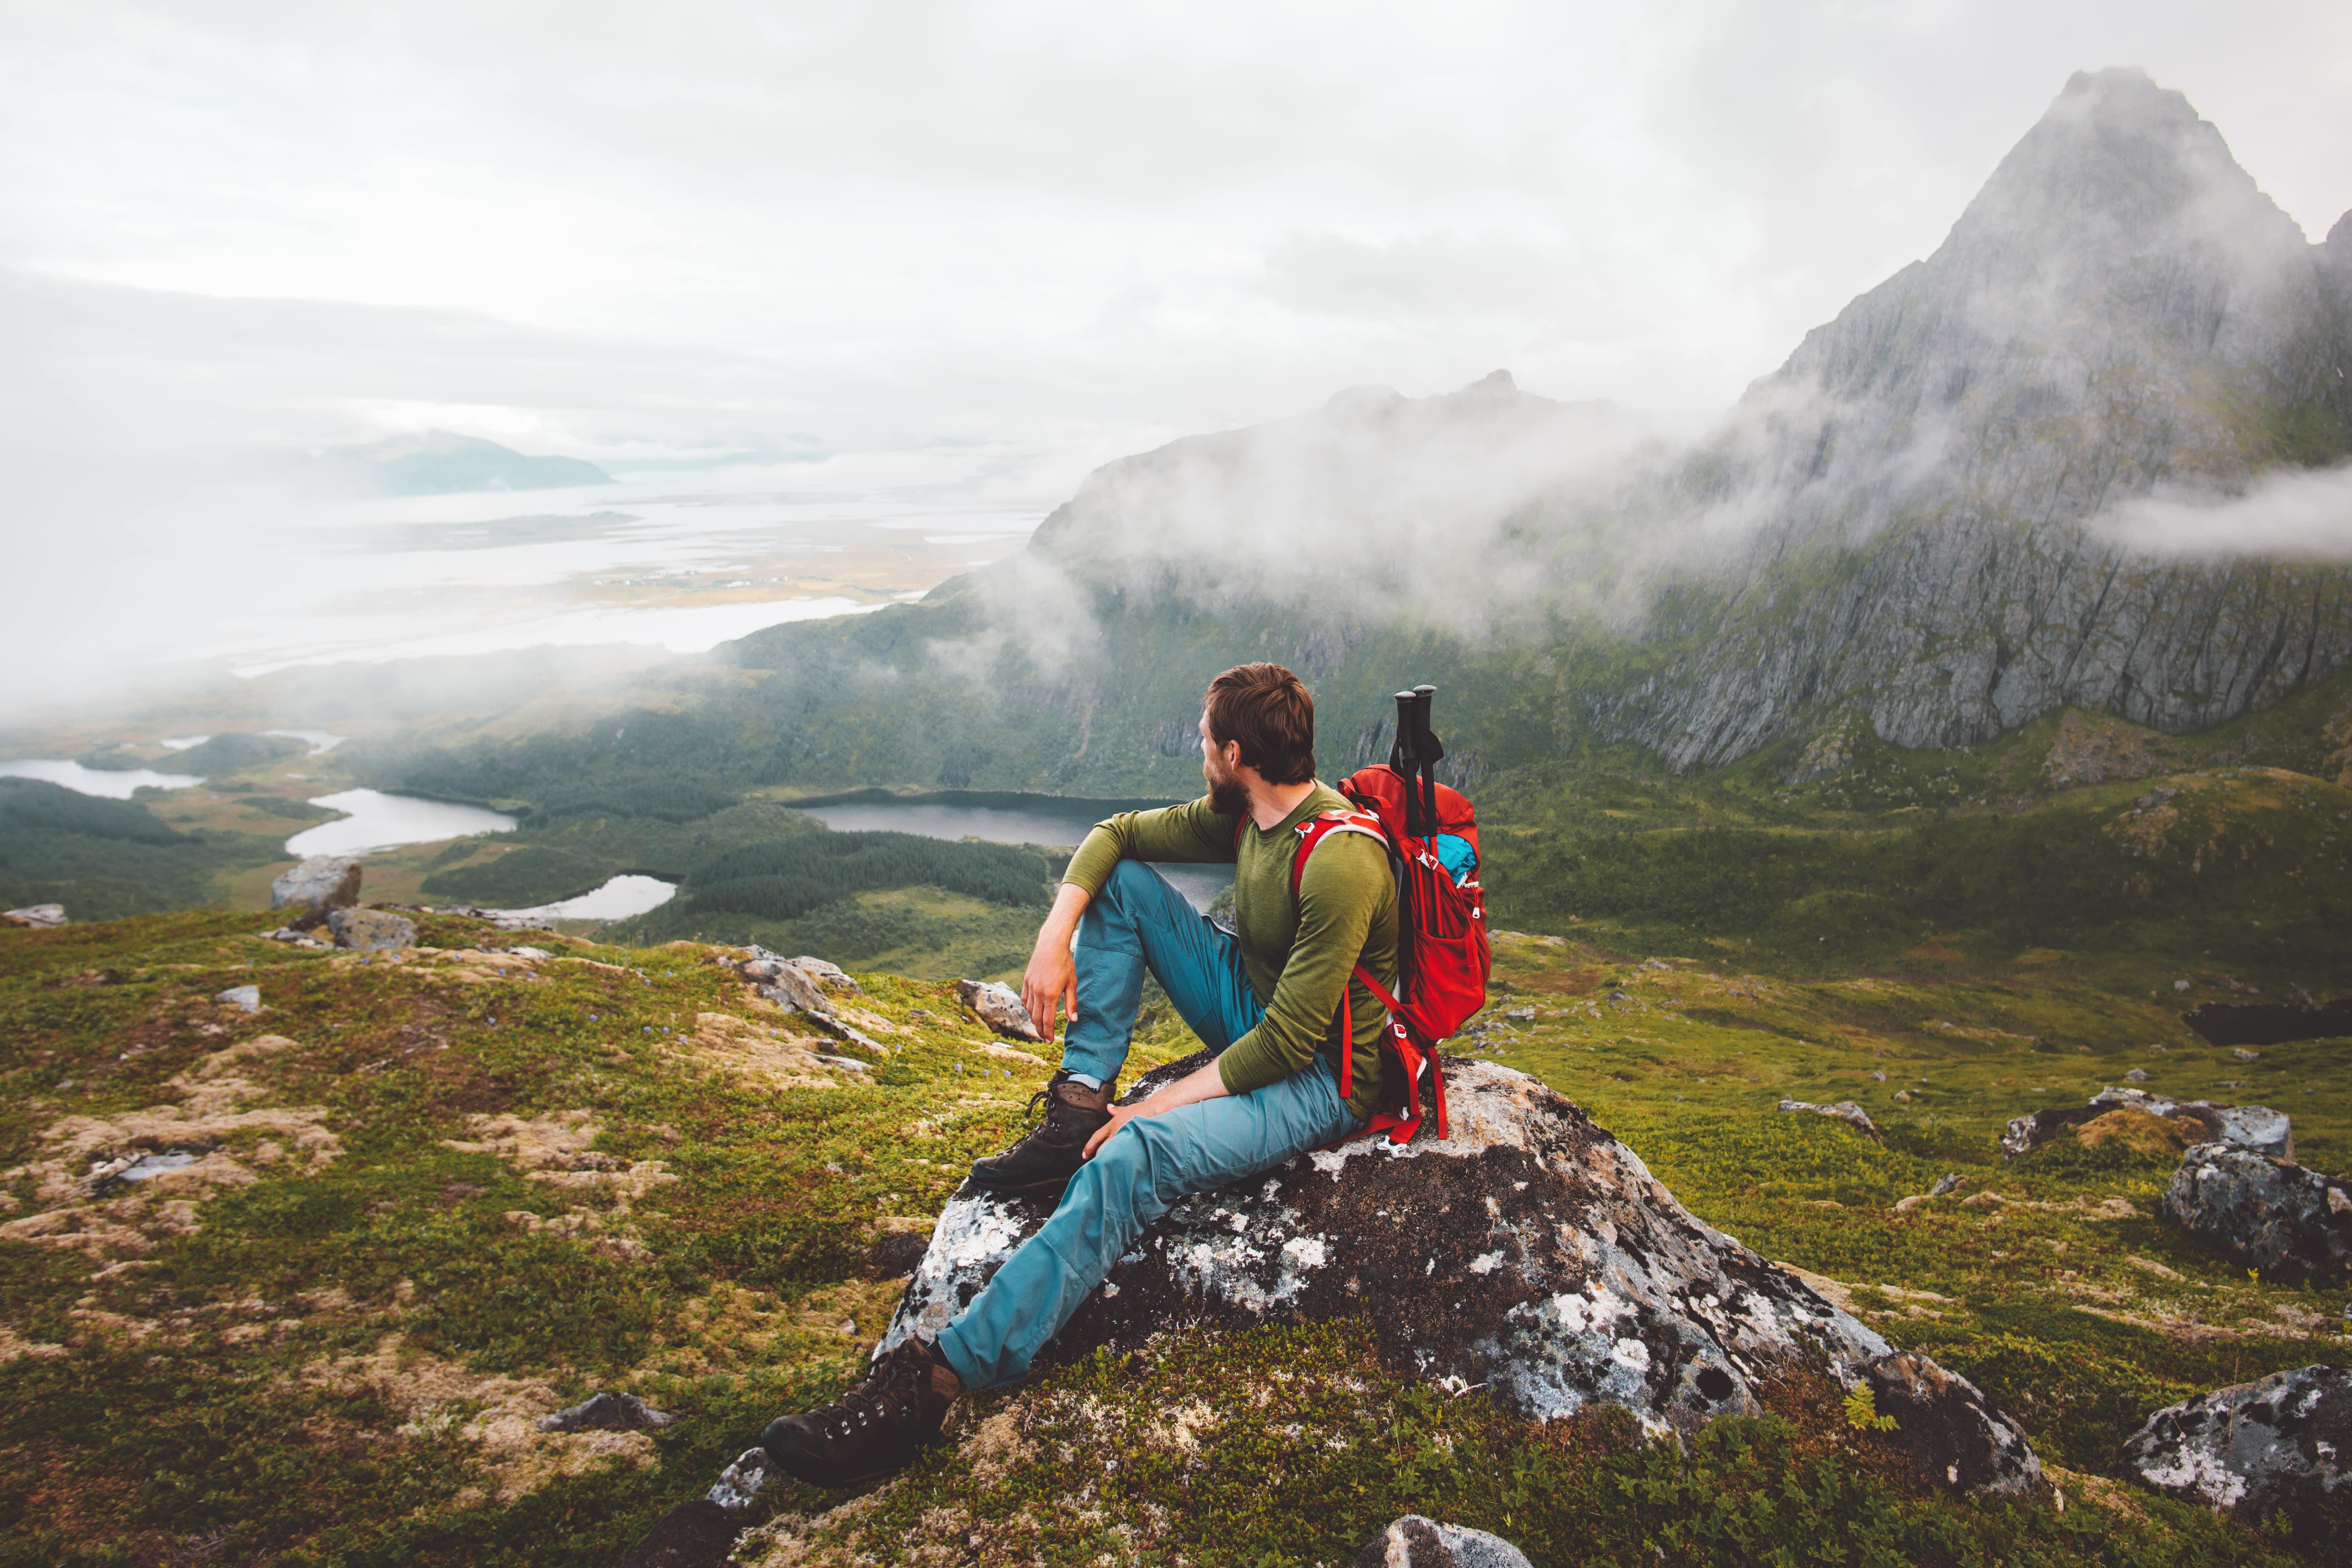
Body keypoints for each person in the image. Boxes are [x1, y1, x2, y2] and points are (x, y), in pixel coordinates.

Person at [759, 661, 1400, 1486]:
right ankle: (1077, 1105)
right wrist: (1053, 935)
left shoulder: (1341, 859)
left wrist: (1154, 1110)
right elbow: (1116, 838)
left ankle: (939, 1382)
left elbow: (1287, 1044)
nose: (1198, 747)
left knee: (1134, 1158)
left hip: (1321, 1073)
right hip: (1252, 1001)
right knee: (1120, 887)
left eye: (1206, 737)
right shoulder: (1250, 816)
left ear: (1237, 752)